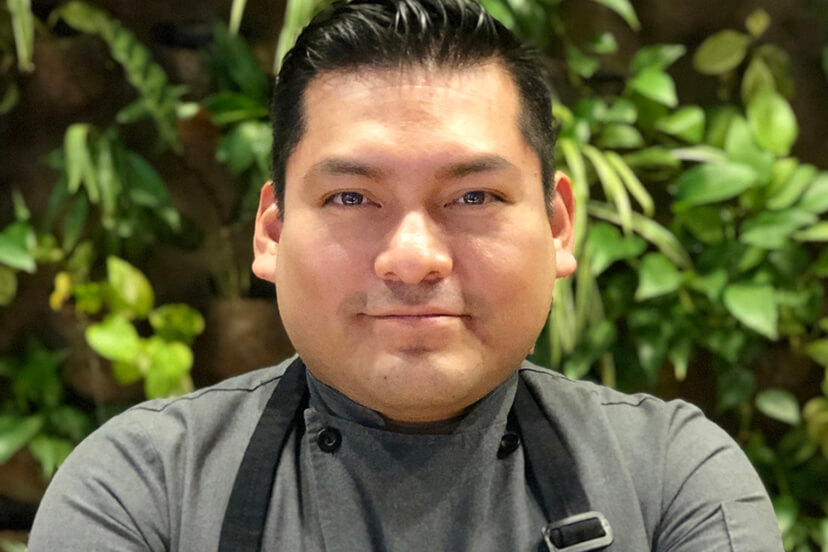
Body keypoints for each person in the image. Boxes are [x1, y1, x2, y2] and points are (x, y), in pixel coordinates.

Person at [29, 0, 783, 550]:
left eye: (474, 196)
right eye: (351, 197)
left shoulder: (671, 478)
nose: (414, 258)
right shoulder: (145, 488)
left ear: (557, 227)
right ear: (272, 232)